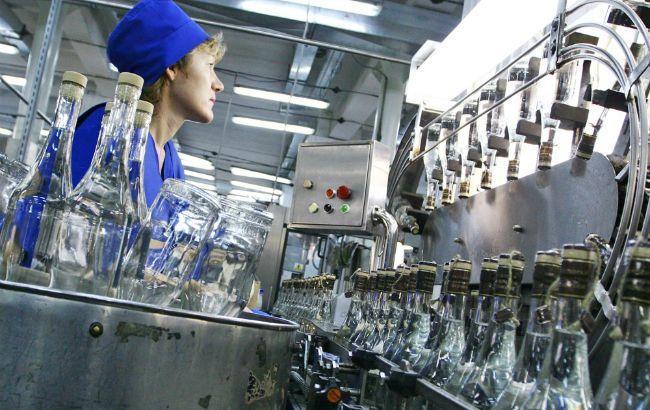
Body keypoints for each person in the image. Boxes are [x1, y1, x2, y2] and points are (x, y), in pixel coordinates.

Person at [71, 0, 225, 206]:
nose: (218, 85)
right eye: (209, 66)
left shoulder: (172, 165)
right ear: (172, 67)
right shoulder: (108, 133)